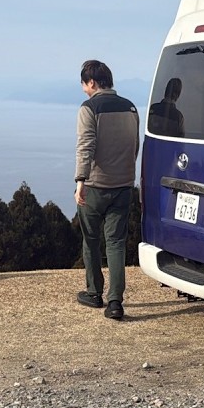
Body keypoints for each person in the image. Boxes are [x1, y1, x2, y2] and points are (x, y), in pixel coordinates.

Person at [74, 60, 140, 320]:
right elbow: (135, 145)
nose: (82, 88)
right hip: (123, 185)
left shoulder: (89, 108)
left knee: (91, 240)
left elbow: (86, 146)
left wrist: (80, 181)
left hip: (95, 187)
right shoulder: (131, 107)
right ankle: (115, 302)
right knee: (116, 243)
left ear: (91, 82)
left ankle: (94, 292)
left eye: (83, 83)